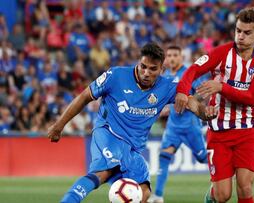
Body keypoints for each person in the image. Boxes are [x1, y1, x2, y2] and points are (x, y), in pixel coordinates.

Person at [47, 42, 216, 203]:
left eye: (152, 69)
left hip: (133, 147)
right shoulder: (115, 76)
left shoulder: (168, 86)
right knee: (103, 172)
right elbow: (84, 96)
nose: (146, 73)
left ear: (161, 70)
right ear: (138, 63)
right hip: (108, 133)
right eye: (143, 66)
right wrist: (59, 125)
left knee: (143, 193)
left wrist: (204, 113)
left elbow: (191, 101)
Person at [175, 7, 254, 203]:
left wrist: (221, 87)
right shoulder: (221, 53)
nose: (241, 36)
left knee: (245, 187)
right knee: (222, 195)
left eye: (247, 33)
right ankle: (211, 197)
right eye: (238, 31)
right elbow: (193, 70)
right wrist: (182, 92)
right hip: (219, 133)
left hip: (247, 131)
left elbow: (251, 97)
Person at [148, 46, 209, 203]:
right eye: (169, 55)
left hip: (190, 126)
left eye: (175, 55)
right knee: (164, 156)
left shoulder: (189, 73)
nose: (172, 58)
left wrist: (190, 101)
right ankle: (158, 196)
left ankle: (225, 173)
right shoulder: (166, 75)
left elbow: (203, 92)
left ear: (181, 57)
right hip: (173, 127)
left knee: (204, 158)